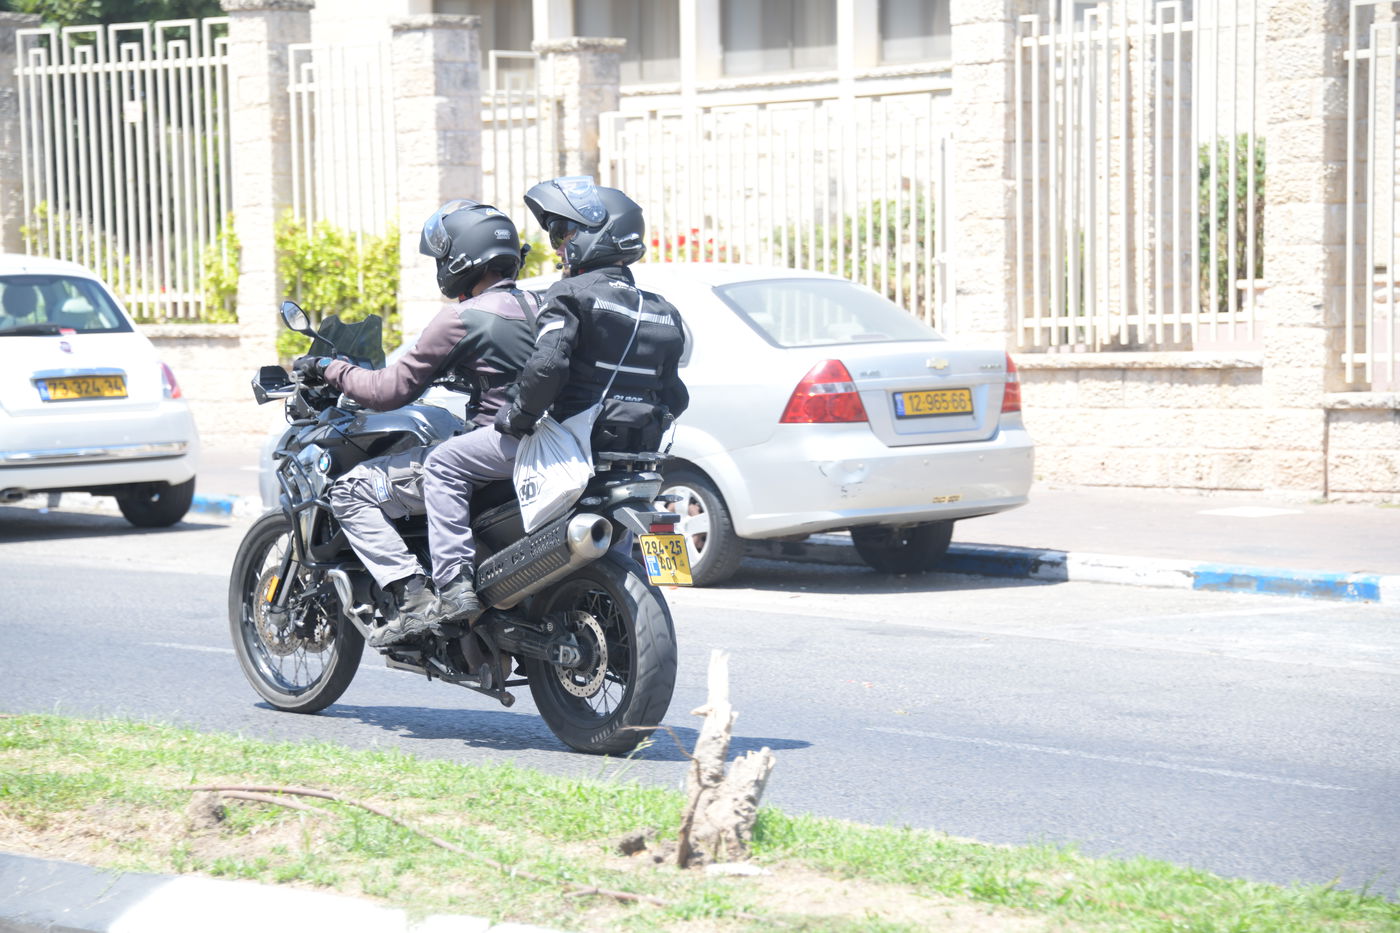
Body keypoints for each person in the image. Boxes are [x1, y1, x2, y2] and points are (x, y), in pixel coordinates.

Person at [421, 176, 688, 623]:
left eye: (564, 234)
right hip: (636, 458)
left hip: (572, 445)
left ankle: (453, 587)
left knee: (442, 463)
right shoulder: (663, 309)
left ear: (594, 236)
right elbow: (674, 396)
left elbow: (546, 368)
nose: (558, 246)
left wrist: (517, 418)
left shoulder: (569, 295)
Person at [292, 199, 539, 647]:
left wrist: (332, 368)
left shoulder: (462, 318)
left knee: (350, 490)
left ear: (460, 259)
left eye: (443, 257)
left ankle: (414, 597)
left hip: (496, 449)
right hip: (545, 449)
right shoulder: (540, 306)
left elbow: (390, 390)